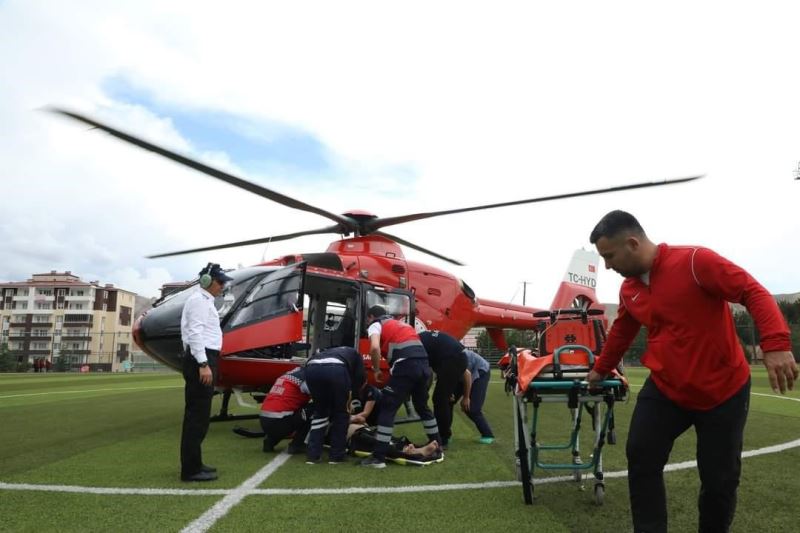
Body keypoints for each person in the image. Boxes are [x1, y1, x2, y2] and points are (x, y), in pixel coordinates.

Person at [585, 210, 797, 533]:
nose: (608, 266)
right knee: (641, 454)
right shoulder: (629, 290)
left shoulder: (696, 263)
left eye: (609, 256)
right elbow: (623, 331)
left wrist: (777, 343)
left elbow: (752, 291)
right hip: (668, 389)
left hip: (722, 392)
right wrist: (600, 369)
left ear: (632, 243)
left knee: (719, 482)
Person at [360, 305, 441, 468]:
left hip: (406, 365)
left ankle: (378, 458)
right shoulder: (401, 324)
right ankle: (437, 445)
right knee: (422, 407)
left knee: (387, 407)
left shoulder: (376, 324)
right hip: (424, 365)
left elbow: (374, 347)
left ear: (370, 316)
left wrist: (376, 370)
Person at [179, 262, 233, 482]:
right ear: (207, 282)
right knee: (196, 417)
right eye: (220, 282)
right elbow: (195, 333)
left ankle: (195, 463)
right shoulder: (199, 302)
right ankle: (190, 470)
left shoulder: (205, 302)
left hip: (204, 357)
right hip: (201, 358)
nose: (222, 286)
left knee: (199, 416)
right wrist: (203, 364)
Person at [305, 345, 365, 464]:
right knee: (341, 413)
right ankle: (336, 456)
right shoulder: (356, 354)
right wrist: (352, 400)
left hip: (311, 367)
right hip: (336, 369)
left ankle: (313, 455)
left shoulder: (329, 351)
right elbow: (359, 379)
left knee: (320, 412)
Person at [419, 330, 469, 448]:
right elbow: (435, 366)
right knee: (442, 398)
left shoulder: (416, 343)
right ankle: (443, 435)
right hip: (453, 358)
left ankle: (442, 437)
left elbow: (425, 371)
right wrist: (449, 388)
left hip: (453, 359)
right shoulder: (424, 340)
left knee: (439, 399)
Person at [260, 367, 313, 454]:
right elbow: (319, 394)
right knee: (317, 407)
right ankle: (297, 444)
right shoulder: (306, 376)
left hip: (264, 419)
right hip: (280, 421)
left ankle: (271, 440)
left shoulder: (291, 373)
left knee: (297, 407)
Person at [454, 349, 495, 444]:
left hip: (480, 371)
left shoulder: (456, 355)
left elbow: (467, 375)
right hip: (464, 373)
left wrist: (466, 397)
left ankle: (487, 434)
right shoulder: (440, 356)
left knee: (472, 408)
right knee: (447, 401)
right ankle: (445, 435)